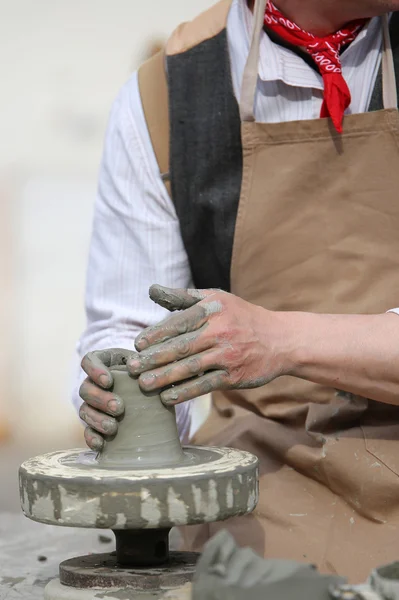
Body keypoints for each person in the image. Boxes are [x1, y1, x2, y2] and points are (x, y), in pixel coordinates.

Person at [74, 0, 399, 583]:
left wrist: (277, 340)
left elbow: (269, 341)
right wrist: (122, 394)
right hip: (260, 471)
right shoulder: (168, 94)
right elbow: (127, 329)